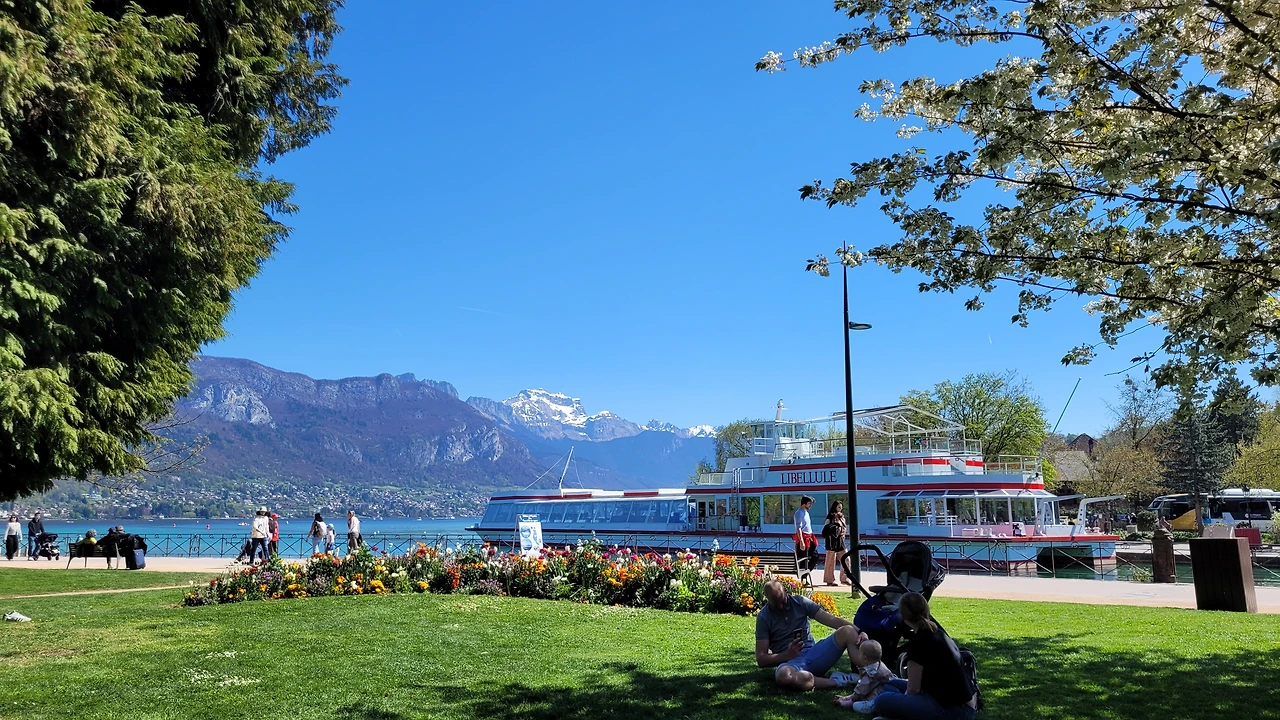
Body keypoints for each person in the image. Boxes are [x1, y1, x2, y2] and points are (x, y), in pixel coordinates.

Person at [852, 592, 977, 720]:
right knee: (891, 683)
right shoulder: (938, 633)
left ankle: (879, 706)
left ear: (903, 616)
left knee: (882, 700)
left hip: (953, 710)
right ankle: (892, 710)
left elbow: (913, 690)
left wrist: (902, 705)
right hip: (959, 703)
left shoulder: (918, 643)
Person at [754, 578, 868, 691]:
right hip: (790, 664)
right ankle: (837, 681)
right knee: (783, 676)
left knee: (847, 631)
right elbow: (761, 659)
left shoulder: (800, 602)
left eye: (783, 601)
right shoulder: (764, 617)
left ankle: (870, 673)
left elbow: (833, 621)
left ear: (786, 592)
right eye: (776, 604)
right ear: (767, 599)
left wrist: (860, 632)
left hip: (813, 654)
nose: (780, 607)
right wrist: (787, 655)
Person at [834, 639, 895, 708]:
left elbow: (861, 689)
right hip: (885, 690)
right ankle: (848, 698)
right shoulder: (877, 664)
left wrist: (853, 698)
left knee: (857, 705)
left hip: (880, 696)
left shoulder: (871, 673)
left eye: (859, 653)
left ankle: (849, 703)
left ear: (865, 658)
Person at [823, 501, 851, 586]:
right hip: (832, 541)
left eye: (841, 507)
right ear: (835, 507)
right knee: (830, 561)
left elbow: (844, 529)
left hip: (840, 541)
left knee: (846, 559)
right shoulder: (830, 517)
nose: (840, 509)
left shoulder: (842, 517)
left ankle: (845, 578)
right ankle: (829, 579)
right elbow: (826, 529)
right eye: (839, 507)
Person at [794, 496, 818, 577]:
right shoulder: (799, 513)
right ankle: (803, 578)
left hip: (809, 537)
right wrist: (801, 541)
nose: (810, 505)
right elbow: (798, 528)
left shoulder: (806, 513)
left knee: (815, 557)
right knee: (803, 559)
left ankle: (806, 573)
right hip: (804, 538)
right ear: (804, 503)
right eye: (809, 503)